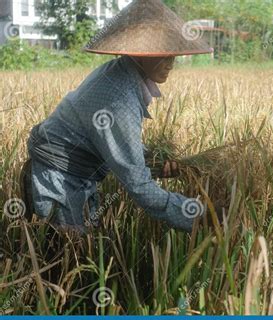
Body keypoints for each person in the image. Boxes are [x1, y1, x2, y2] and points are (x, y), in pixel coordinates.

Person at [21, 0, 213, 234]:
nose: (171, 63)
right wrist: (200, 214)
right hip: (59, 181)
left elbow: (117, 147)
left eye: (174, 55)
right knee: (68, 255)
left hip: (70, 174)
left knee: (83, 250)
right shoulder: (118, 97)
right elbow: (139, 187)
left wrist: (154, 163)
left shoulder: (121, 74)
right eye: (163, 54)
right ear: (140, 54)